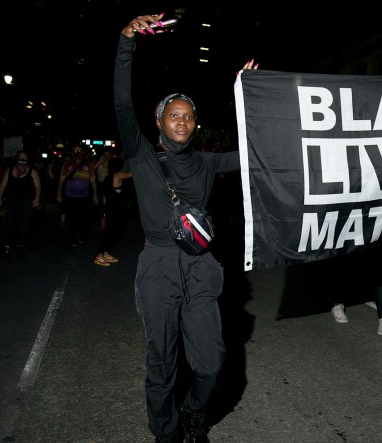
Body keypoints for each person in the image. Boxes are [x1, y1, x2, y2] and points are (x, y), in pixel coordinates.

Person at [115, 13, 255, 443]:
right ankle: (166, 433)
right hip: (158, 266)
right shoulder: (141, 155)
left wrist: (248, 95)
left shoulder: (208, 162)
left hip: (201, 267)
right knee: (162, 362)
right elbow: (122, 104)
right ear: (159, 123)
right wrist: (126, 44)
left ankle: (194, 413)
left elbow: (252, 149)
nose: (182, 121)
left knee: (211, 362)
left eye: (189, 116)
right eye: (173, 115)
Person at [0, 150, 41, 254]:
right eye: (20, 157)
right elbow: (3, 184)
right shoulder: (10, 170)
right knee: (9, 222)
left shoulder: (32, 171)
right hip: (11, 200)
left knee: (24, 223)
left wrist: (37, 198)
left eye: (25, 157)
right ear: (16, 158)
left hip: (26, 202)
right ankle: (7, 244)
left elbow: (37, 186)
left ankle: (21, 244)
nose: (22, 159)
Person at [93, 156, 132, 266]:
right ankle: (99, 255)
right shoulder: (118, 175)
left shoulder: (107, 178)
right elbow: (132, 174)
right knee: (109, 232)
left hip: (111, 208)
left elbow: (105, 197)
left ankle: (106, 252)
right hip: (114, 209)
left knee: (113, 231)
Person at [56, 145, 98, 246]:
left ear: (83, 153)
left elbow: (93, 181)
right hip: (69, 196)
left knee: (84, 218)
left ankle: (82, 234)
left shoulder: (89, 165)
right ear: (72, 153)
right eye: (75, 151)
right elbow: (61, 180)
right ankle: (74, 237)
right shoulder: (67, 165)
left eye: (79, 151)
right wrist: (58, 193)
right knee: (71, 218)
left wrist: (95, 195)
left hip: (84, 197)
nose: (77, 152)